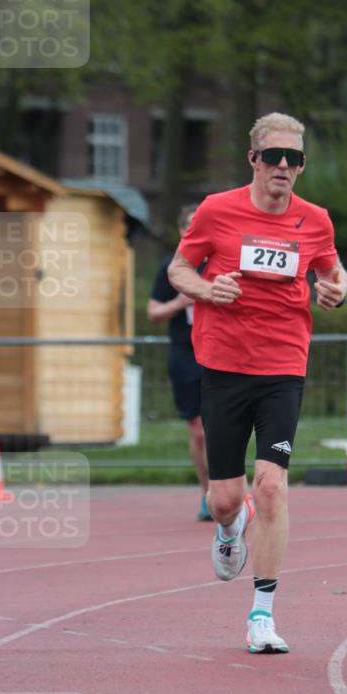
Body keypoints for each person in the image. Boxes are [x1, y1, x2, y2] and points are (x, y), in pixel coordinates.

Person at [168, 112, 347, 654]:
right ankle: (229, 526)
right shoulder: (217, 210)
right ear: (254, 159)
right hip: (223, 366)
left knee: (272, 486)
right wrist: (204, 288)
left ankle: (262, 615)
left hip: (283, 368)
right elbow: (178, 268)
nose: (284, 168)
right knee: (226, 498)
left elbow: (333, 272)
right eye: (274, 157)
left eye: (294, 159)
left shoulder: (315, 220)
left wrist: (337, 290)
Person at [147, 204, 212, 521]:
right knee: (199, 431)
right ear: (180, 230)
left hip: (216, 351)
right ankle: (207, 493)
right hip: (185, 354)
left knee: (222, 426)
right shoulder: (170, 268)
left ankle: (228, 490)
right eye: (187, 225)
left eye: (197, 224)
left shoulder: (217, 263)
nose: (192, 229)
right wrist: (179, 301)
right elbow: (153, 313)